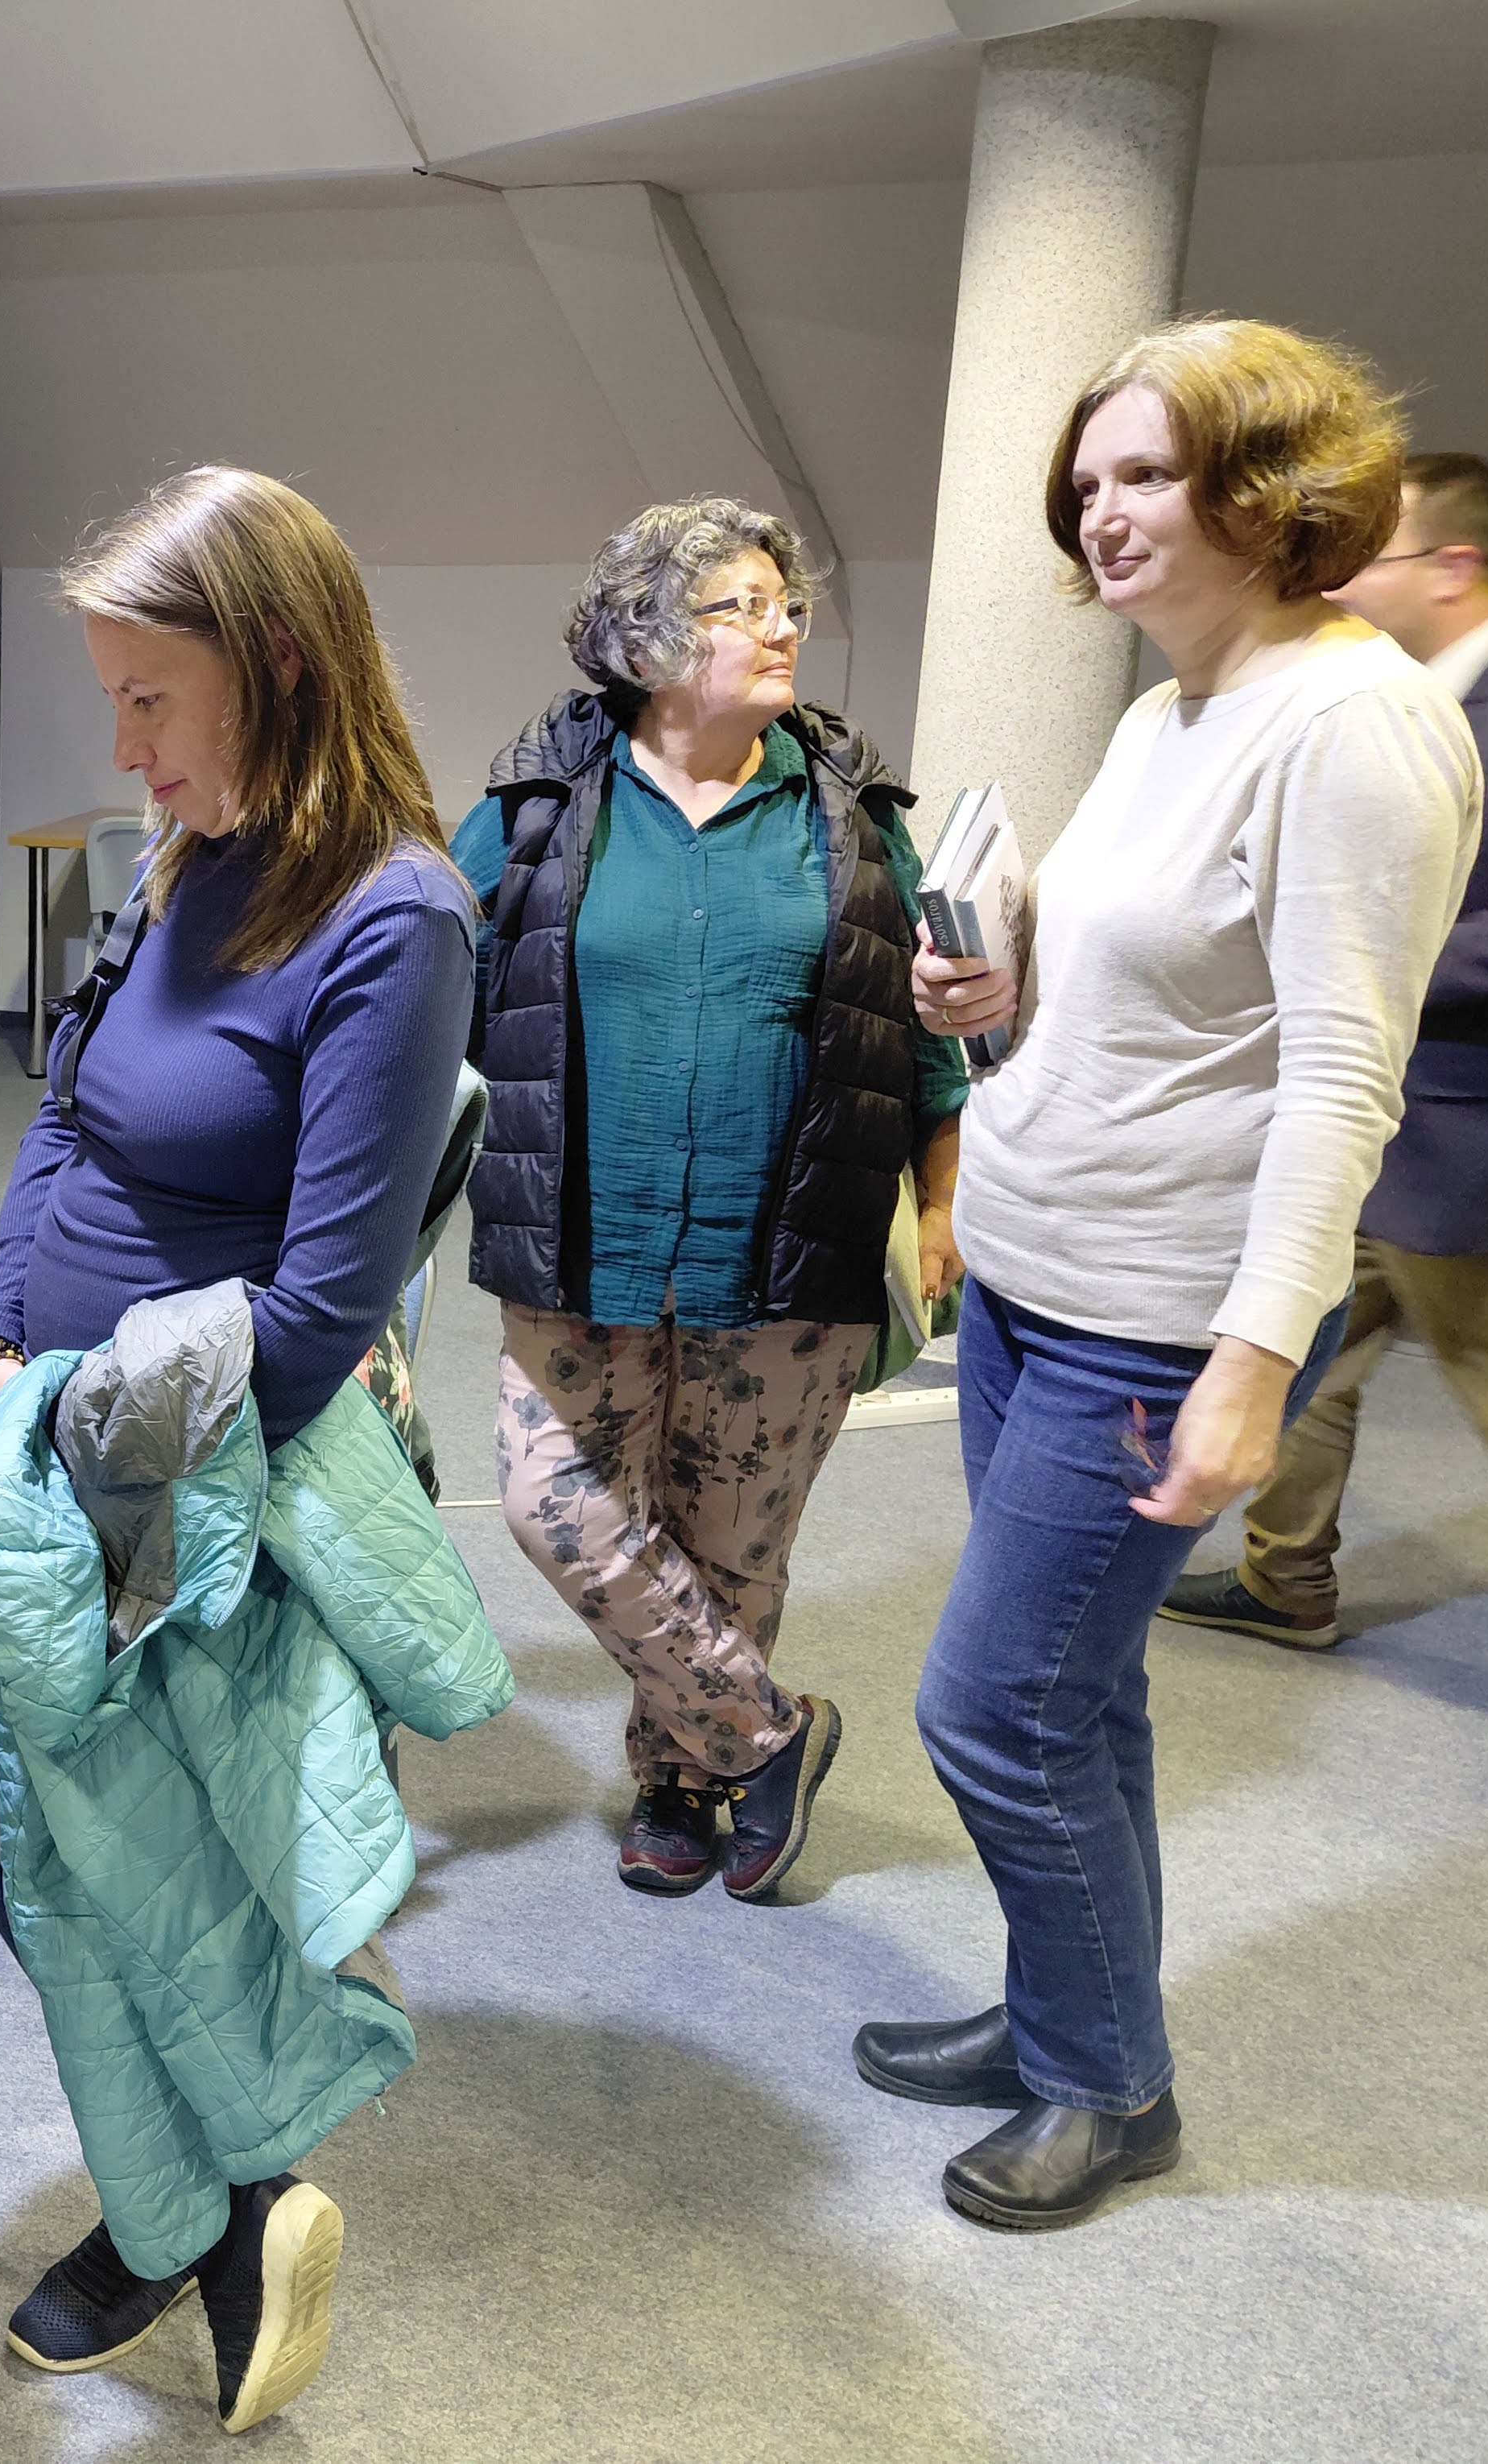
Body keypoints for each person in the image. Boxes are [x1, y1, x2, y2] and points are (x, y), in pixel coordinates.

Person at [0, 466, 484, 2436]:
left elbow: (311, 1320)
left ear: (280, 665)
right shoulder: (187, 853)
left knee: (80, 1830)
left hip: (196, 1493)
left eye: (151, 699)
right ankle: (217, 2197)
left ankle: (195, 2208)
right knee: (5, 1804)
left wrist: (63, 1453)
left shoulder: (394, 920)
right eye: (112, 701)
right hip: (54, 1433)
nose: (124, 748)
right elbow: (64, 1116)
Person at [870, 320, 1481, 2230]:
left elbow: (1341, 1080)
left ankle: (1109, 2090)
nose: (1102, 513)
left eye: (1149, 473)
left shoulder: (1355, 727)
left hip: (1154, 1317)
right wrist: (994, 984)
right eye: (1091, 480)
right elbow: (1155, 998)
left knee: (993, 1707)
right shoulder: (1174, 707)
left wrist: (1254, 1363)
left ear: (1272, 488)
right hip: (1035, 1276)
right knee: (1082, 1697)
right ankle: (1073, 2012)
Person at [451, 498, 965, 1903]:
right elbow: (430, 992)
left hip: (789, 1240)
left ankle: (682, 1777)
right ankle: (768, 1734)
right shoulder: (538, 808)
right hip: (578, 1237)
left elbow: (925, 1035)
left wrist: (940, 1203)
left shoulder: (851, 815)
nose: (781, 625)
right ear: (647, 642)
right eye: (741, 605)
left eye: (785, 602)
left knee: (733, 1540)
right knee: (558, 1504)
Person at [1159, 453, 1488, 1652]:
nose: (1339, 579)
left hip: (1483, 1147)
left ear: (1455, 566)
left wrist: (1377, 957)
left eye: (1374, 554)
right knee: (1301, 1363)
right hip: (1366, 1135)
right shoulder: (1381, 699)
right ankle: (1286, 1581)